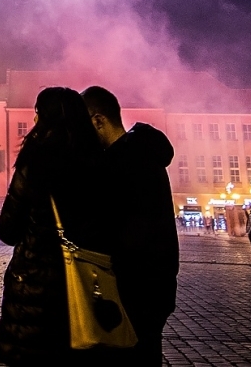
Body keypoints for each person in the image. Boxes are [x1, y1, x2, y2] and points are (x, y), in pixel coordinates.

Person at [0, 86, 113, 365]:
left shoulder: (36, 161)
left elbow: (8, 231)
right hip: (86, 283)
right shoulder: (101, 162)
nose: (34, 121)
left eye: (37, 114)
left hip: (36, 290)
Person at [81, 86, 178, 367]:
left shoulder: (125, 163)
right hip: (152, 288)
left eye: (83, 126)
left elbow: (129, 233)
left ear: (98, 120)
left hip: (133, 290)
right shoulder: (143, 156)